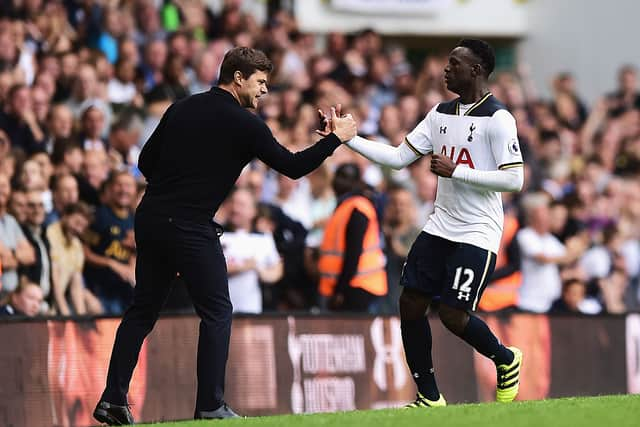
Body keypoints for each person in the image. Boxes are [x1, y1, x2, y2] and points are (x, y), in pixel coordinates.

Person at [94, 46, 356, 425]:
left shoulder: (181, 106)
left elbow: (144, 162)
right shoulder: (245, 124)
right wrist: (336, 139)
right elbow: (293, 168)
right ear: (238, 77)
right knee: (217, 312)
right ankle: (210, 406)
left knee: (142, 310)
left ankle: (113, 399)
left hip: (151, 218)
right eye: (261, 81)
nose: (265, 90)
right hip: (190, 225)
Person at [328, 39, 525, 406]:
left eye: (454, 64)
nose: (445, 70)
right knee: (411, 304)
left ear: (476, 70)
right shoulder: (438, 114)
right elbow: (399, 158)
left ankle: (505, 358)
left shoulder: (498, 119)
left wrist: (458, 172)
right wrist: (349, 139)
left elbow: (515, 179)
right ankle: (430, 396)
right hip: (440, 224)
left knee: (452, 314)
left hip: (477, 231)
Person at [317, 163, 388, 312]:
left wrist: (340, 290)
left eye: (346, 178)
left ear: (356, 183)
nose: (339, 181)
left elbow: (353, 253)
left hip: (359, 286)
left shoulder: (357, 208)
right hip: (349, 285)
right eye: (339, 176)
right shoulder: (344, 205)